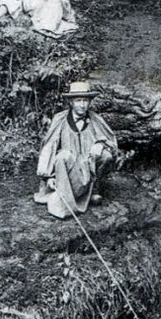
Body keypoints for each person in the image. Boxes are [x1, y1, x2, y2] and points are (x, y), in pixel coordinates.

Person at [34, 81, 118, 218]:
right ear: (71, 102)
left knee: (106, 155)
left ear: (90, 102)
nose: (82, 105)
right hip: (67, 170)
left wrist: (100, 144)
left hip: (88, 168)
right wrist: (49, 176)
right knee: (63, 156)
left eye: (85, 100)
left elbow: (111, 143)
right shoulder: (60, 119)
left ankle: (93, 190)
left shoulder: (95, 119)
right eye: (78, 100)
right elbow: (49, 148)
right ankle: (66, 195)